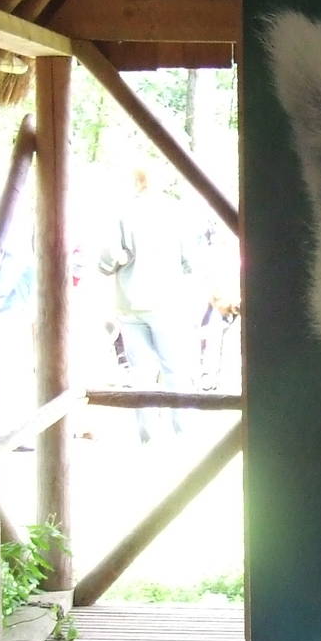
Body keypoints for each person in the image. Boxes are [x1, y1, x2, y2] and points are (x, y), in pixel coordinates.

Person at [99, 169, 198, 442]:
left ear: (137, 181)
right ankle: (183, 432)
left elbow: (106, 260)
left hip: (129, 304)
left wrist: (124, 259)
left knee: (140, 373)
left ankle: (148, 435)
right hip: (168, 301)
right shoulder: (177, 212)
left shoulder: (122, 212)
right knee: (175, 369)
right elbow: (191, 261)